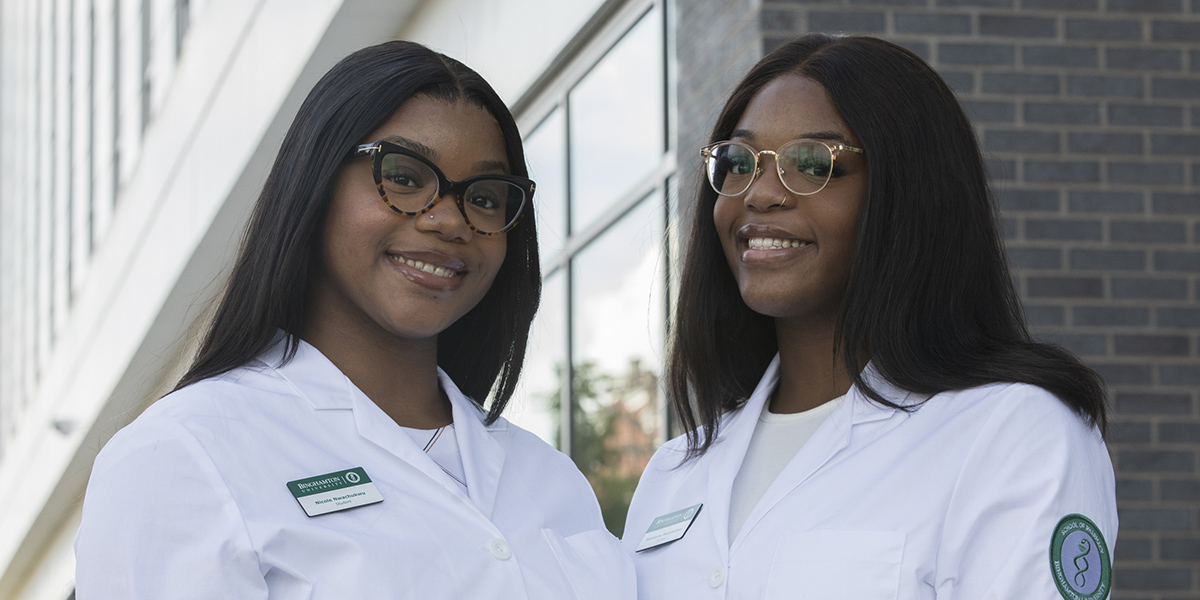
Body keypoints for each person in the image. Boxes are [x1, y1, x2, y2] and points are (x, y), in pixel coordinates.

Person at [75, 40, 634, 599]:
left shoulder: (551, 479)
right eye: (407, 178)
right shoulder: (185, 453)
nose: (449, 221)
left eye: (485, 197)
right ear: (315, 184)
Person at [622, 33, 1116, 600]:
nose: (759, 194)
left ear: (909, 192)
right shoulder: (672, 473)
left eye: (811, 163)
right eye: (737, 162)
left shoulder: (1013, 432)